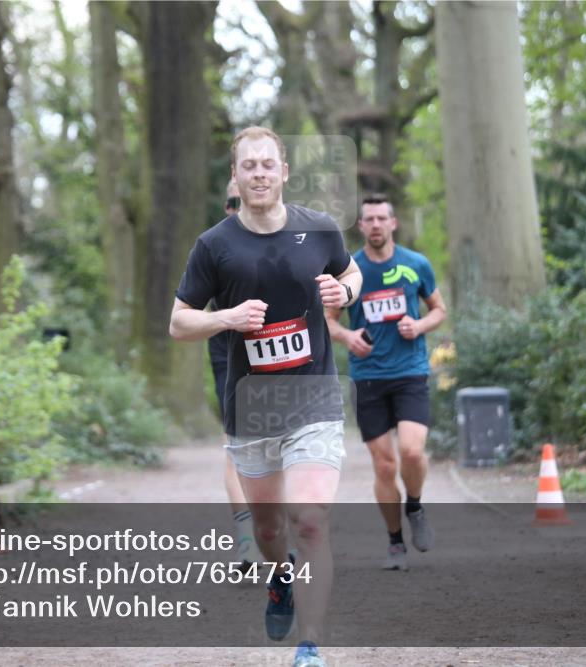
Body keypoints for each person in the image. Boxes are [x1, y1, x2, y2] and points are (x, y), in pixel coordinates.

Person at [170, 126, 362, 667]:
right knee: (270, 528)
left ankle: (310, 645)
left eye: (267, 164)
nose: (258, 173)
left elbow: (350, 273)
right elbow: (179, 323)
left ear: (284, 172)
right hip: (251, 409)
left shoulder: (319, 229)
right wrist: (227, 318)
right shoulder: (214, 246)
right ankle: (280, 579)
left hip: (314, 401)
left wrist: (344, 290)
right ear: (235, 176)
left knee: (309, 519)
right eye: (248, 165)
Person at [325, 194, 447, 571]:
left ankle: (415, 505)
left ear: (393, 223)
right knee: (383, 465)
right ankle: (395, 542)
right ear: (361, 226)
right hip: (368, 378)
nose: (376, 225)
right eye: (370, 219)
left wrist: (419, 326)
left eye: (382, 218)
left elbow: (439, 310)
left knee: (411, 452)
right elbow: (327, 321)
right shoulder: (350, 272)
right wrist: (348, 336)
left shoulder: (415, 264)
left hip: (410, 371)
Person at [211, 182, 263, 572]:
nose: (237, 207)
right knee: (235, 442)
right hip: (228, 350)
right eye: (231, 202)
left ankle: (277, 530)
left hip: (277, 349)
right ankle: (246, 539)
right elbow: (186, 310)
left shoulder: (286, 239)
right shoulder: (213, 247)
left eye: (241, 200)